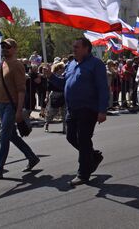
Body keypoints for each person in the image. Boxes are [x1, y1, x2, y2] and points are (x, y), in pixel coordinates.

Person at [44, 37, 108, 186]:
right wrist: (51, 76)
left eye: (77, 47)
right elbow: (63, 83)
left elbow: (103, 88)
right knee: (71, 137)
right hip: (72, 109)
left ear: (86, 49)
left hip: (88, 109)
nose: (74, 49)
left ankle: (83, 173)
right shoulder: (71, 64)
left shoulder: (96, 65)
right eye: (73, 47)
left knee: (84, 140)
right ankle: (93, 156)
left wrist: (102, 110)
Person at [0, 38, 40, 181]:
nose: (5, 49)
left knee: (4, 137)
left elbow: (21, 90)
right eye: (3, 47)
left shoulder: (17, 65)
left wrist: (18, 111)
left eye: (8, 47)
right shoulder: (2, 64)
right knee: (12, 136)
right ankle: (32, 157)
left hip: (11, 107)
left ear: (15, 49)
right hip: (1, 105)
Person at [44, 62, 66, 134]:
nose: (64, 69)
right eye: (63, 68)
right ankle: (46, 124)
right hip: (55, 94)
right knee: (52, 112)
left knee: (64, 112)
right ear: (59, 69)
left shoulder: (64, 76)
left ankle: (64, 128)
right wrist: (46, 97)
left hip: (63, 94)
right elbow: (48, 87)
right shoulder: (52, 76)